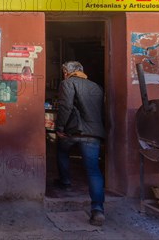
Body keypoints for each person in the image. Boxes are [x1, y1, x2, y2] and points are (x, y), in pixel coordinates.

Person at [55, 61, 106, 226]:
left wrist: (60, 127)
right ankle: (97, 210)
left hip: (73, 131)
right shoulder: (96, 87)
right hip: (94, 133)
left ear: (66, 72)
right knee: (93, 171)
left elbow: (65, 107)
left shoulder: (67, 83)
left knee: (62, 150)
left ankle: (65, 181)